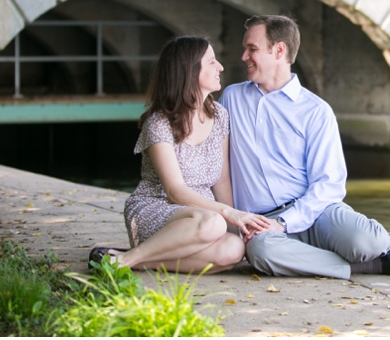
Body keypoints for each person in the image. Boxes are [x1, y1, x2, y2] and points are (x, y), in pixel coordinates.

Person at [219, 14, 390, 279]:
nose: (243, 56)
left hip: (315, 212)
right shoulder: (231, 98)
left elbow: (329, 185)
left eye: (251, 49)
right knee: (263, 254)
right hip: (260, 222)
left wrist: (285, 222)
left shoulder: (316, 111)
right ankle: (378, 263)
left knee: (365, 242)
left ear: (278, 50)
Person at [88, 36, 271, 272]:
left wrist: (238, 229)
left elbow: (222, 180)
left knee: (234, 249)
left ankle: (129, 260)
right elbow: (175, 191)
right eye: (212, 62)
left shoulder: (220, 115)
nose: (221, 68)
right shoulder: (159, 123)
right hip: (157, 209)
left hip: (203, 218)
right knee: (213, 222)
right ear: (190, 71)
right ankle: (126, 261)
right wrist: (228, 213)